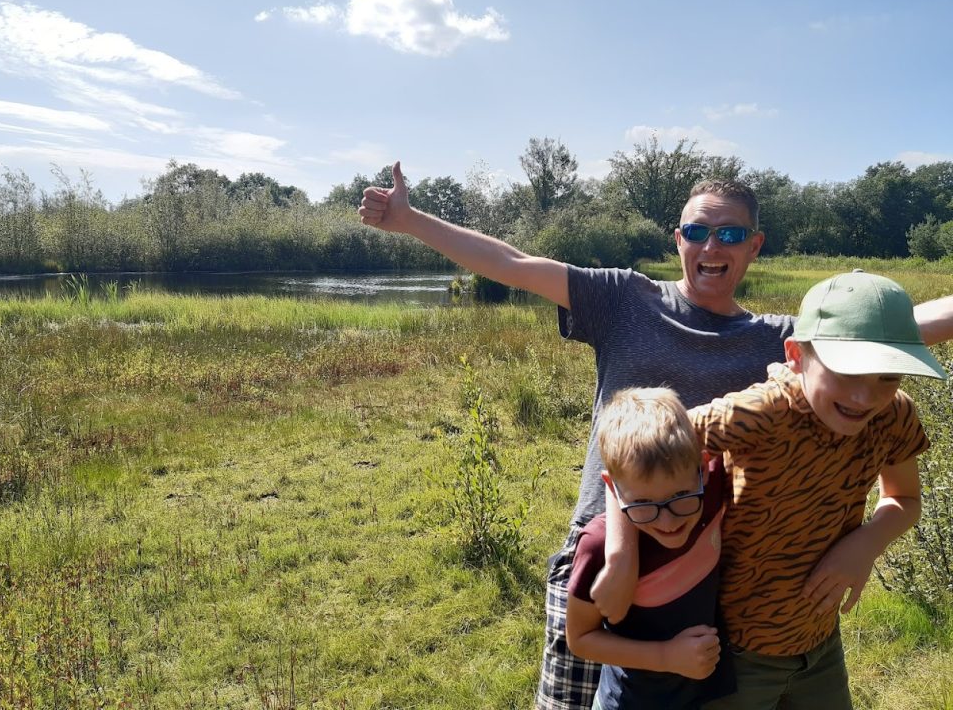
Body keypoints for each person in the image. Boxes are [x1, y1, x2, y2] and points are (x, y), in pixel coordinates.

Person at [358, 162, 953, 710]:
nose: (710, 246)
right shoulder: (624, 299)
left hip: (699, 559)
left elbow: (890, 335)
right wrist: (410, 220)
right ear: (679, 239)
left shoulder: (780, 340)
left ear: (754, 245)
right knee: (570, 696)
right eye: (697, 232)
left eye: (728, 234)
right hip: (604, 544)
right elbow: (512, 264)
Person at [574, 271, 947, 710]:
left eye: (888, 376)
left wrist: (864, 543)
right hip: (736, 647)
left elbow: (903, 498)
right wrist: (620, 555)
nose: (866, 395)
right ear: (795, 355)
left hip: (820, 639)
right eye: (847, 371)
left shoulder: (894, 415)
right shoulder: (757, 413)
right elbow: (637, 454)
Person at [565, 387, 731, 710]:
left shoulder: (711, 489)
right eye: (643, 504)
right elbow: (580, 638)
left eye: (680, 497)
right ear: (613, 487)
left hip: (704, 695)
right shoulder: (597, 547)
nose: (668, 521)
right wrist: (665, 656)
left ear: (702, 467)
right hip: (630, 702)